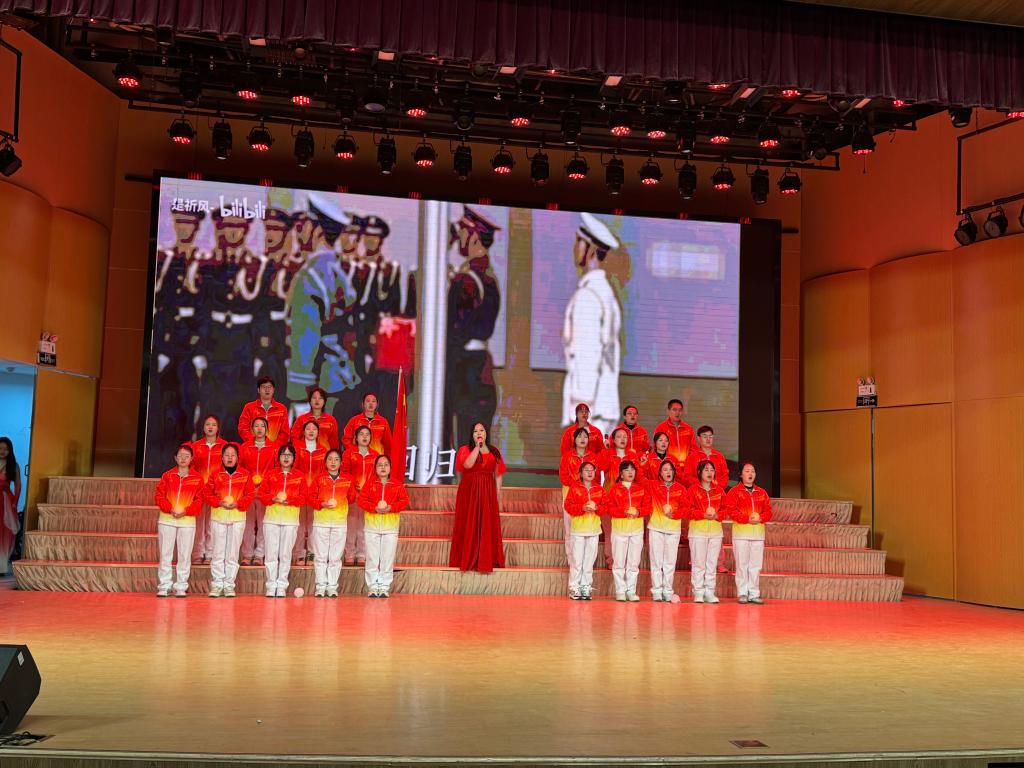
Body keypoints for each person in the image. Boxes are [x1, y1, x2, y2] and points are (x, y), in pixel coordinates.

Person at [287, 194, 360, 414]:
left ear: (317, 230)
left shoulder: (310, 276)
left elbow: (306, 337)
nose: (301, 230)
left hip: (316, 383)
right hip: (338, 376)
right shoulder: (337, 270)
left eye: (306, 224)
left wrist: (299, 392)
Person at [147, 206, 205, 471]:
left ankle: (188, 463)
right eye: (180, 224)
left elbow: (206, 310)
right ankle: (160, 462)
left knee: (188, 408)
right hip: (165, 348)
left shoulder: (202, 264)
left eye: (189, 225)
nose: (184, 229)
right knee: (161, 409)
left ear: (195, 228)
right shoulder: (165, 262)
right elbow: (160, 303)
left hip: (190, 352)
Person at [444, 205, 502, 450]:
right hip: (480, 368)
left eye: (463, 232)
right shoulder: (488, 278)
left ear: (474, 236)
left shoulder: (466, 280)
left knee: (464, 449)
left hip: (465, 371)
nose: (459, 237)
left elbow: (453, 331)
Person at [197, 210, 259, 431]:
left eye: (238, 227)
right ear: (221, 230)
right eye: (229, 227)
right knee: (211, 405)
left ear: (246, 230)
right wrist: (201, 349)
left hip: (243, 346)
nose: (233, 232)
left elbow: (259, 312)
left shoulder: (255, 266)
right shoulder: (208, 266)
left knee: (239, 407)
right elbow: (203, 310)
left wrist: (257, 350)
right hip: (216, 345)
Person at [561, 212, 622, 438]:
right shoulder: (604, 293)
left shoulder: (588, 296)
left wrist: (582, 413)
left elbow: (588, 357)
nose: (574, 248)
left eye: (579, 242)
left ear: (591, 250)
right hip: (602, 408)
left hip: (591, 411)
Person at [449, 422, 506, 573]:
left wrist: (497, 495)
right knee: (468, 522)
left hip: (488, 492)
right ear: (472, 435)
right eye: (475, 431)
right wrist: (477, 447)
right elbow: (467, 465)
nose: (479, 433)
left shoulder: (494, 452)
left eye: (482, 430)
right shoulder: (465, 449)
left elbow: (498, 474)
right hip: (469, 492)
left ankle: (486, 560)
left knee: (486, 524)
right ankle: (467, 559)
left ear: (486, 433)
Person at [202, 443, 255, 598]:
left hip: (237, 518)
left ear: (238, 458)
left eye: (233, 455)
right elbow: (207, 494)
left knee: (232, 553)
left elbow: (250, 494)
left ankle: (229, 585)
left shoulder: (245, 475)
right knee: (218, 553)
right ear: (222, 458)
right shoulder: (215, 475)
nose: (230, 458)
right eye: (227, 455)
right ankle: (217, 585)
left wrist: (238, 504)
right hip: (218, 517)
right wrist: (219, 502)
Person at [153, 444, 204, 597]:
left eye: (186, 456)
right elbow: (159, 496)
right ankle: (164, 585)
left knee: (184, 555)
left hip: (187, 522)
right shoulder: (167, 476)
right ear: (175, 458)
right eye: (180, 456)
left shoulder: (197, 478)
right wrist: (170, 509)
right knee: (165, 554)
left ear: (191, 459)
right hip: (167, 520)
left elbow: (199, 500)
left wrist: (186, 511)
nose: (183, 459)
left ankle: (181, 586)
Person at [257, 445, 307, 597]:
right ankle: (271, 585)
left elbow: (304, 497)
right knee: (271, 554)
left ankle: (282, 586)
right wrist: (272, 499)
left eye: (289, 455)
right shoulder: (271, 474)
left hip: (290, 521)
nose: (286, 457)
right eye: (283, 455)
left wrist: (290, 500)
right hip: (271, 519)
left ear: (294, 458)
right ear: (278, 458)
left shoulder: (299, 476)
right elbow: (261, 494)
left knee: (285, 554)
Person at [357, 455, 410, 598]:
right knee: (372, 558)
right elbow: (361, 500)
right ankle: (373, 586)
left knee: (387, 559)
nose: (383, 467)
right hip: (372, 527)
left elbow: (404, 501)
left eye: (386, 464)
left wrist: (391, 508)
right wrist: (374, 508)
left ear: (390, 468)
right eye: (380, 465)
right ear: (375, 468)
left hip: (390, 528)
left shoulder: (397, 484)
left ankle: (384, 586)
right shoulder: (369, 484)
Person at [307, 449, 357, 597]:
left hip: (339, 523)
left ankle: (332, 587)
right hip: (321, 522)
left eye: (336, 459)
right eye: (330, 459)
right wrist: (321, 503)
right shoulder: (319, 479)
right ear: (325, 462)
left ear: (341, 463)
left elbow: (352, 498)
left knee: (335, 557)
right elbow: (310, 498)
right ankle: (320, 587)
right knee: (320, 556)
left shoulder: (348, 479)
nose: (333, 462)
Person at [725, 463, 773, 605]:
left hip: (758, 535)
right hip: (741, 535)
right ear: (741, 474)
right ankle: (742, 593)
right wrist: (746, 519)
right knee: (742, 565)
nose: (750, 473)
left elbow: (768, 511)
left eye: (752, 471)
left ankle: (754, 593)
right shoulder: (734, 492)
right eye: (747, 471)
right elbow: (731, 511)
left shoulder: (762, 492)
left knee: (755, 566)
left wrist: (761, 518)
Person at [601, 460, 647, 601]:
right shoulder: (614, 489)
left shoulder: (640, 489)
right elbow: (610, 508)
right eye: (627, 470)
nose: (630, 472)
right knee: (619, 563)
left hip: (636, 531)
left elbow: (648, 507)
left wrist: (638, 512)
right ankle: (620, 590)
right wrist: (624, 512)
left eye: (632, 470)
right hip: (620, 531)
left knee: (634, 563)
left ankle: (631, 591)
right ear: (621, 474)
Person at [596, 427, 639, 568]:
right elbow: (600, 466)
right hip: (610, 499)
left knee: (627, 534)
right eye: (619, 436)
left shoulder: (632, 455)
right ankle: (611, 560)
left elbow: (638, 476)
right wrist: (606, 450)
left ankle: (627, 563)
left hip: (628, 501)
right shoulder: (608, 453)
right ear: (613, 440)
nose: (622, 439)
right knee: (610, 532)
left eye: (625, 436)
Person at [686, 459, 726, 604]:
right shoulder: (692, 490)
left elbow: (725, 509)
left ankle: (710, 592)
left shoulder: (719, 491)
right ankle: (698, 592)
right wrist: (702, 515)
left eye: (712, 470)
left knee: (711, 563)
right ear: (699, 472)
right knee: (698, 563)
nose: (710, 473)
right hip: (698, 532)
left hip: (715, 532)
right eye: (706, 470)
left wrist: (717, 516)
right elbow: (688, 510)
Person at [562, 460, 603, 600]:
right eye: (586, 470)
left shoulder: (599, 489)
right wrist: (582, 508)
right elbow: (568, 506)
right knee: (577, 561)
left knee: (589, 562)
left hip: (594, 530)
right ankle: (574, 588)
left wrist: (597, 508)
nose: (590, 473)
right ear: (580, 473)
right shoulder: (574, 488)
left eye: (592, 470)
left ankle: (586, 588)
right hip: (578, 530)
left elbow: (606, 507)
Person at [647, 459, 687, 603]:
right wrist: (644, 462)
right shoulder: (653, 486)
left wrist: (674, 514)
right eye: (665, 469)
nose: (668, 472)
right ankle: (657, 591)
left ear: (674, 472)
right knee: (656, 562)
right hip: (656, 528)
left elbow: (686, 508)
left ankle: (668, 591)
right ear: (659, 473)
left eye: (670, 469)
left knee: (670, 562)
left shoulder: (680, 489)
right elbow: (639, 477)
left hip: (673, 530)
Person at [239, 416, 276, 565]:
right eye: (256, 426)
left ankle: (260, 554)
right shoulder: (245, 447)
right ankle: (247, 555)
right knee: (248, 524)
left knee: (263, 523)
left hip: (265, 491)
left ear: (267, 430)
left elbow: (276, 470)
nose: (259, 429)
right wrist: (248, 487)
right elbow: (240, 469)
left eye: (262, 426)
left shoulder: (274, 448)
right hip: (248, 491)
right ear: (252, 429)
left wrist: (265, 487)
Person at [558, 427, 598, 562]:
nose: (582, 439)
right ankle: (572, 562)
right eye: (579, 436)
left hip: (589, 498)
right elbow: (563, 477)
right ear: (574, 439)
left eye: (585, 437)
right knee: (570, 530)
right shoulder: (567, 456)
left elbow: (597, 479)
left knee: (588, 532)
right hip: (571, 498)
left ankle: (586, 564)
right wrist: (579, 485)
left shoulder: (593, 457)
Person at [191, 415, 226, 564]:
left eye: (213, 424)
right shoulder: (196, 446)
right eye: (207, 424)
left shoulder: (224, 446)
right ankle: (198, 553)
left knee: (212, 523)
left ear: (218, 428)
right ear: (203, 427)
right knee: (199, 524)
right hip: (199, 490)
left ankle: (211, 554)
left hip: (216, 491)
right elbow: (191, 468)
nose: (210, 427)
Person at [341, 424, 379, 566]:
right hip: (352, 495)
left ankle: (362, 554)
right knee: (351, 525)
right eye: (361, 434)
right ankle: (349, 554)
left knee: (364, 525)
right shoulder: (349, 453)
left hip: (368, 496)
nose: (364, 437)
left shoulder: (375, 455)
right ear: (356, 438)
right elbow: (344, 472)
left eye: (367, 434)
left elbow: (377, 475)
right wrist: (353, 484)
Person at [293, 420, 327, 563]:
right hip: (299, 492)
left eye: (314, 429)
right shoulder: (297, 448)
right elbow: (293, 470)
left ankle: (312, 554)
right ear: (303, 432)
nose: (311, 431)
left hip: (316, 493)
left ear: (318, 432)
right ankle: (299, 554)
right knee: (299, 524)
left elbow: (325, 472)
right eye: (308, 429)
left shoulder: (323, 451)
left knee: (314, 525)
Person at [238, 376, 290, 448]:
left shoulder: (281, 409)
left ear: (273, 390)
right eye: (264, 387)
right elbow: (243, 428)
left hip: (274, 449)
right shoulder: (249, 407)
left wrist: (275, 446)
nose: (267, 390)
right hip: (253, 448)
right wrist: (254, 443)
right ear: (258, 390)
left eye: (269, 387)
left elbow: (285, 432)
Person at [290, 387, 340, 451]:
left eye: (320, 398)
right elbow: (294, 438)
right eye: (314, 398)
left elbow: (334, 443)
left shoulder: (331, 420)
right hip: (305, 455)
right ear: (310, 401)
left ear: (324, 401)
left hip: (324, 455)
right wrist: (301, 449)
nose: (317, 400)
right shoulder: (301, 419)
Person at [654, 399, 700, 467]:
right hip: (668, 468)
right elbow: (656, 449)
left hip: (686, 467)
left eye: (680, 410)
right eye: (674, 410)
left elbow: (694, 449)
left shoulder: (688, 429)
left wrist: (689, 463)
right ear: (668, 411)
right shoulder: (661, 428)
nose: (677, 413)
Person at [683, 425, 729, 491]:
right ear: (699, 438)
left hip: (717, 492)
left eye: (710, 436)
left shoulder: (719, 456)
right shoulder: (692, 456)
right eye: (705, 437)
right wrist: (703, 486)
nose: (708, 439)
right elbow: (687, 477)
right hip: (698, 492)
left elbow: (725, 476)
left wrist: (717, 487)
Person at [0, 437, 22, 577]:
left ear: (10, 450)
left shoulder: (13, 466)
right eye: (0, 448)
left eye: (6, 449)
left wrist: (14, 503)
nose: (2, 451)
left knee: (4, 534)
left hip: (5, 502)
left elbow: (18, 485)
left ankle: (1, 566)